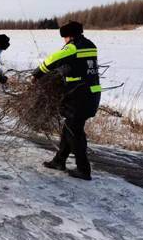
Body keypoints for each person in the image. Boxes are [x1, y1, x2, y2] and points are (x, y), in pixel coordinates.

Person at [32, 21, 101, 180]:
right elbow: (78, 66)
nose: (64, 40)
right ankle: (59, 161)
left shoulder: (73, 47)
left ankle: (83, 169)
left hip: (80, 95)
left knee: (74, 132)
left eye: (64, 37)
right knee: (69, 128)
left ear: (69, 36)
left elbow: (51, 60)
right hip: (92, 93)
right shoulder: (90, 45)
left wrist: (37, 74)